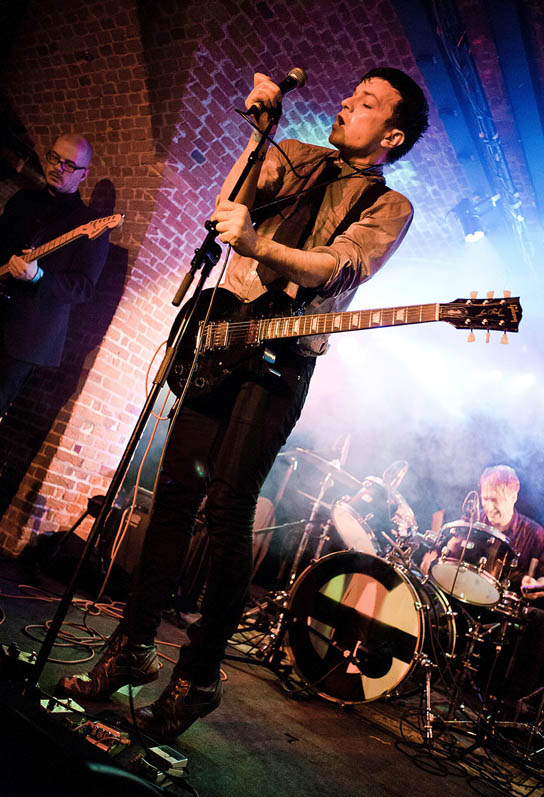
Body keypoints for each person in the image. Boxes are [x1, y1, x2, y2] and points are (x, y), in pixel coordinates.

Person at [58, 68, 430, 738]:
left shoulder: (389, 204)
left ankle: (197, 677)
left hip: (281, 359)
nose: (348, 103)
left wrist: (258, 244)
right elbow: (230, 203)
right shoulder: (297, 156)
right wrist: (261, 136)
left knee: (227, 513)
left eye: (368, 103)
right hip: (219, 333)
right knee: (171, 496)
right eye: (351, 94)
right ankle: (132, 648)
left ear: (392, 134)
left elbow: (335, 268)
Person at [0, 133, 110, 415]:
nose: (57, 167)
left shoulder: (90, 225)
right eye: (53, 158)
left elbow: (83, 288)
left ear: (83, 175)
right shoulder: (24, 200)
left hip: (25, 336)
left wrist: (39, 277)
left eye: (68, 165)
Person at [424, 465, 544, 707]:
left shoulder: (535, 534)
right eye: (485, 498)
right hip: (463, 596)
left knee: (541, 619)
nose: (489, 507)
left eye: (495, 500)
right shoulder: (473, 519)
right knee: (430, 597)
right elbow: (447, 552)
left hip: (504, 606)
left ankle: (512, 701)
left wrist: (536, 584)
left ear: (514, 494)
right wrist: (435, 554)